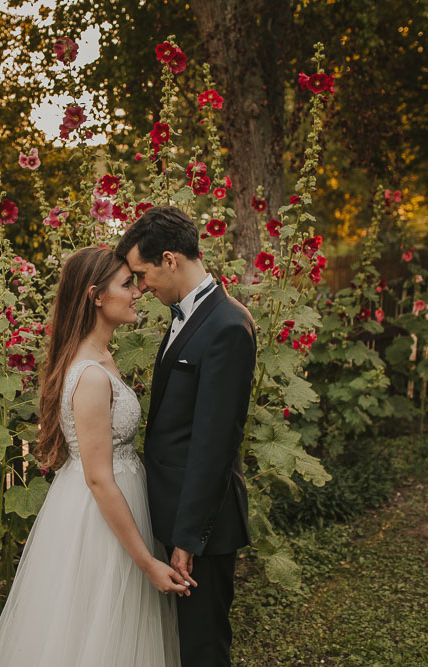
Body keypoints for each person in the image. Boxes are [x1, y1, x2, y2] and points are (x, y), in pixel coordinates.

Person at [0, 246, 183, 667]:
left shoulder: (102, 358)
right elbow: (98, 478)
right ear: (95, 295)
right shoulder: (90, 375)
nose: (137, 292)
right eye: (127, 285)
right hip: (99, 518)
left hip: (119, 504)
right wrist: (147, 563)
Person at [116, 206, 256, 667]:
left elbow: (215, 445)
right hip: (174, 512)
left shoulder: (227, 326)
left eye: (142, 274)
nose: (140, 288)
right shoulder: (187, 314)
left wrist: (188, 538)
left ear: (170, 259)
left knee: (202, 646)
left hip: (203, 527)